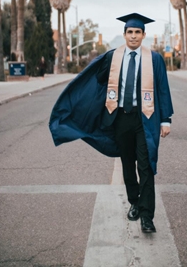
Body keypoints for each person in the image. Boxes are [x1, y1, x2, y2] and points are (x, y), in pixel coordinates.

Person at [49, 13, 173, 233]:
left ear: (144, 35)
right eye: (130, 32)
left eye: (137, 32)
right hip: (120, 118)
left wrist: (166, 120)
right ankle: (134, 201)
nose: (133, 36)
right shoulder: (112, 58)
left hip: (145, 118)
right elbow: (96, 81)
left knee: (145, 166)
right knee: (127, 164)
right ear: (124, 34)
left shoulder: (154, 59)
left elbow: (162, 89)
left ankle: (146, 216)